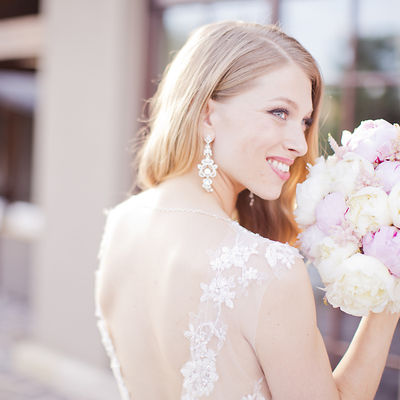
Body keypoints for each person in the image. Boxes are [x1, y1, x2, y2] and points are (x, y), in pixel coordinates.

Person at [95, 20, 399, 400]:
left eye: (304, 121)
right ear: (208, 114)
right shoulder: (267, 272)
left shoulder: (122, 222)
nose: (300, 144)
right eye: (278, 112)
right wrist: (390, 288)